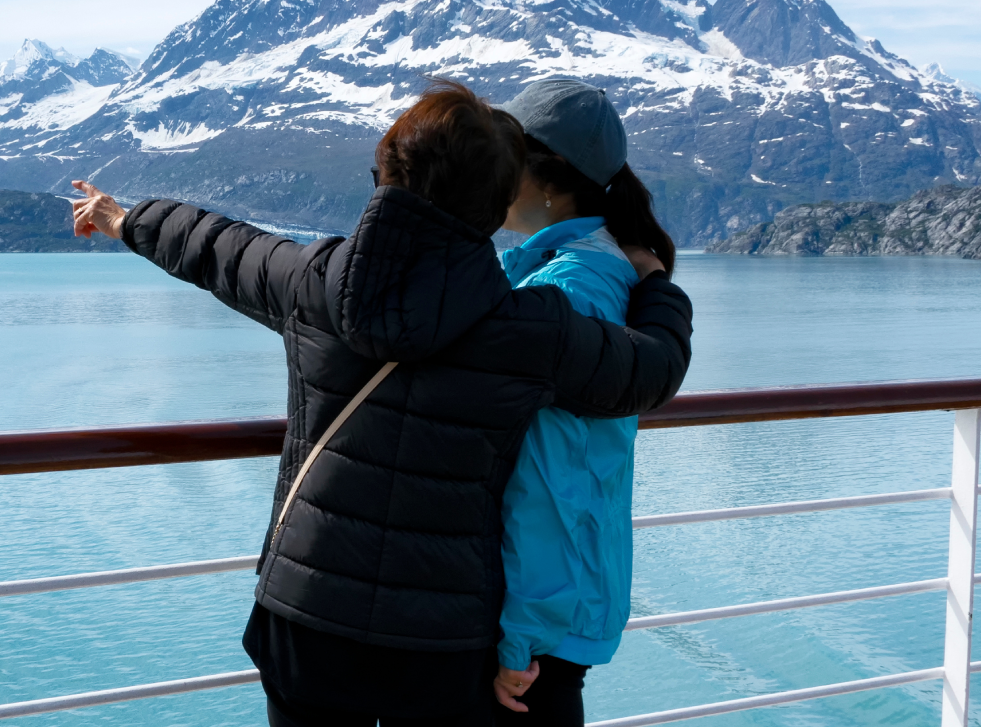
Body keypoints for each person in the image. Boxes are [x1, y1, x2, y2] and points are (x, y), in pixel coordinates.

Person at [70, 80, 691, 727]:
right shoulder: (529, 326)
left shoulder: (313, 279)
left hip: (303, 612)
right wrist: (654, 286)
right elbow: (651, 369)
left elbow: (218, 248)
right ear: (500, 194)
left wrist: (125, 220)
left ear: (384, 176)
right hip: (439, 633)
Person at [490, 79, 678, 725]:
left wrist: (518, 640)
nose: (491, 173)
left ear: (550, 178)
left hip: (541, 636)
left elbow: (551, 486)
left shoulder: (572, 292)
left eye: (502, 157)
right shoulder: (584, 270)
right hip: (564, 613)